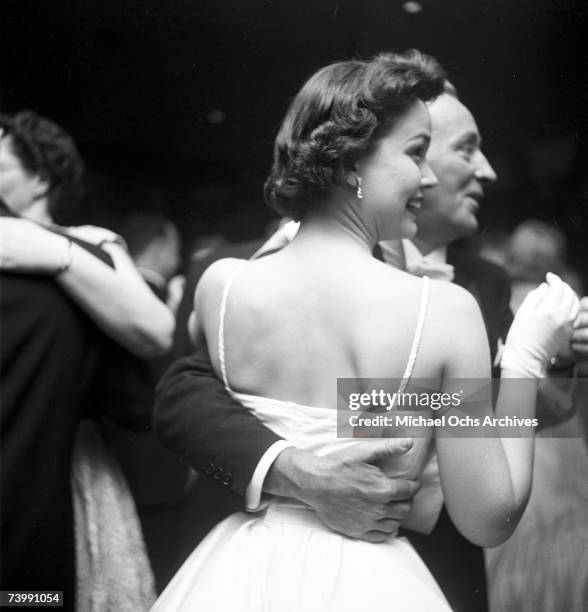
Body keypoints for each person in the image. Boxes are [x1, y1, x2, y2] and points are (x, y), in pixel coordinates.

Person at [153, 51, 577, 610]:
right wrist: (524, 357)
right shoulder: (444, 311)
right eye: (416, 153)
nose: (427, 177)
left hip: (239, 573)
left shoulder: (221, 285)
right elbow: (489, 515)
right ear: (352, 162)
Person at [0, 111, 173, 610]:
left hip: (60, 466)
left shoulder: (93, 245)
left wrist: (58, 251)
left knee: (39, 595)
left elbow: (154, 331)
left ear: (39, 179)